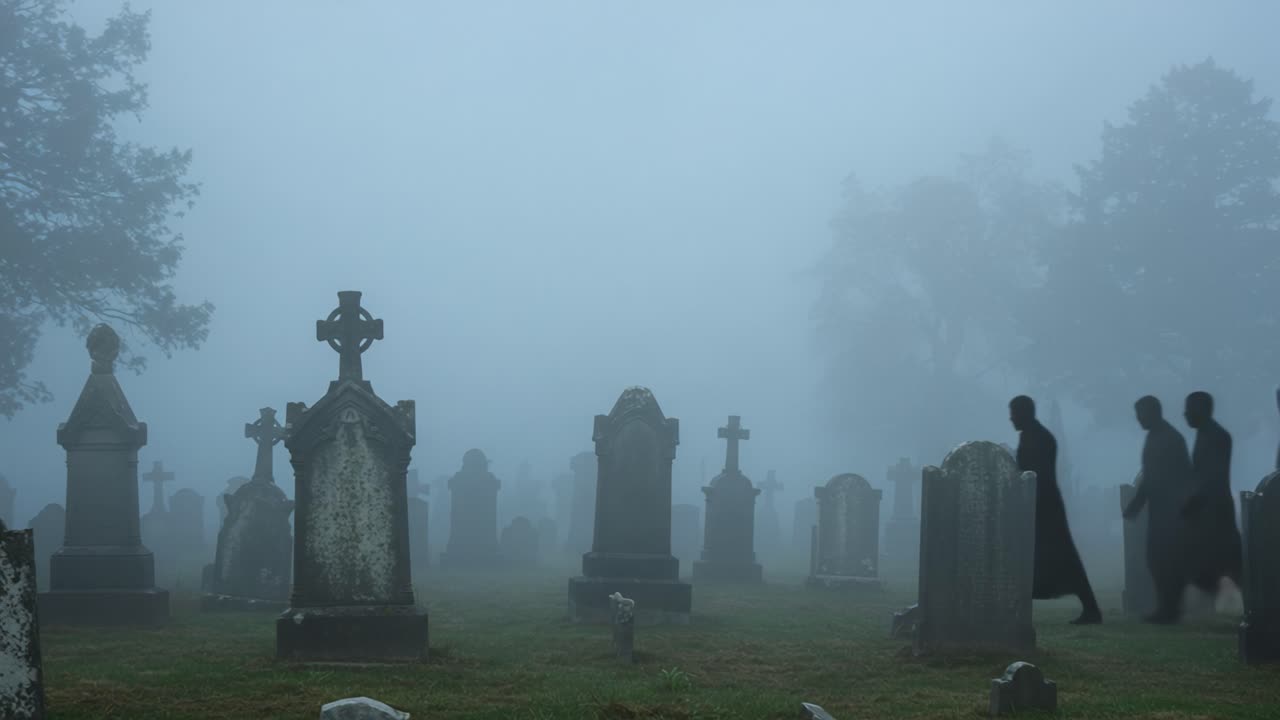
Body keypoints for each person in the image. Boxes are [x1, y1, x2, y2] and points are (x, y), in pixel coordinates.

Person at [1009, 395, 1102, 624]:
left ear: (1025, 413)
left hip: (1045, 506)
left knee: (1065, 558)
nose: (1011, 418)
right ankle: (1017, 604)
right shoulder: (1032, 435)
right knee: (1045, 558)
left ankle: (1091, 609)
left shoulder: (1039, 437)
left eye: (1014, 413)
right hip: (1040, 505)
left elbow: (1036, 474)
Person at [1123, 395, 1193, 624]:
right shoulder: (1157, 436)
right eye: (1136, 415)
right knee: (1157, 559)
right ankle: (1168, 607)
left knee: (1165, 559)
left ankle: (1170, 609)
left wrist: (1137, 503)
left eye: (1141, 414)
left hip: (1172, 509)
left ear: (1154, 412)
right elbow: (1150, 475)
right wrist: (1138, 503)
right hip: (1160, 508)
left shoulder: (1170, 438)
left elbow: (1171, 475)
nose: (1138, 420)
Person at [1181, 391, 1243, 593]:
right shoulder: (1207, 434)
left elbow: (1212, 476)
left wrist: (1194, 501)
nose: (1185, 414)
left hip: (1215, 509)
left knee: (1228, 560)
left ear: (1202, 410)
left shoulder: (1216, 436)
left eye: (1189, 410)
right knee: (1222, 560)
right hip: (1210, 508)